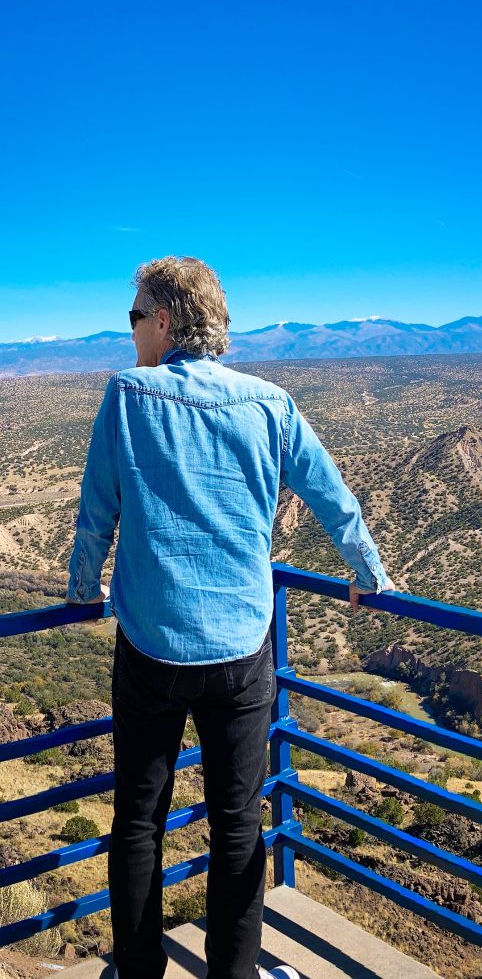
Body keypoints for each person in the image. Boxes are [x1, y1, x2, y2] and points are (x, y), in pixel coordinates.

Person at [65, 256, 394, 979]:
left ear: (163, 321)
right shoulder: (270, 403)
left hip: (151, 649)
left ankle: (140, 970)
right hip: (244, 649)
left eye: (133, 318)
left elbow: (97, 514)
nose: (129, 334)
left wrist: (82, 589)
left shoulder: (126, 395)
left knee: (138, 822)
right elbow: (332, 494)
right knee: (240, 826)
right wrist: (368, 572)